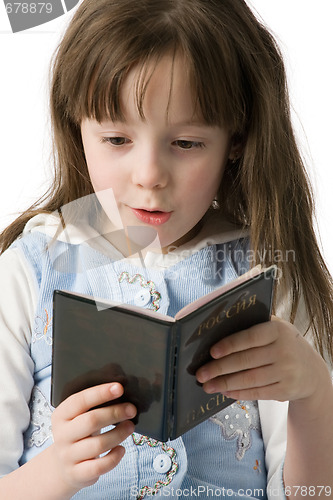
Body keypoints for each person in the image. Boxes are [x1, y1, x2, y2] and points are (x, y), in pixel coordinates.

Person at [0, 0, 332, 498]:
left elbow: (311, 495)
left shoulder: (268, 272)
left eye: (187, 143)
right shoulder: (33, 267)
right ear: (76, 126)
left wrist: (315, 395)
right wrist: (58, 472)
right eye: (116, 138)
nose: (149, 175)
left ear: (235, 140)